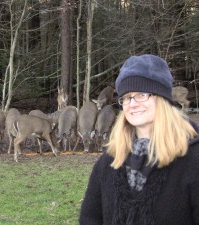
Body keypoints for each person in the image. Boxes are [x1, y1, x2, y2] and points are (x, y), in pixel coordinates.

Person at [79, 54, 199, 225]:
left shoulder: (193, 160)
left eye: (141, 94)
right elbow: (90, 219)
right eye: (127, 97)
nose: (132, 103)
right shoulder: (109, 162)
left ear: (162, 98)